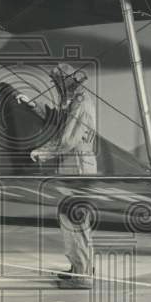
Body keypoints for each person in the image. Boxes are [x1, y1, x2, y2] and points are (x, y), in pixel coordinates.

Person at [29, 62, 98, 289]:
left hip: (77, 166)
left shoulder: (81, 102)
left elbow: (68, 139)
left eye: (59, 82)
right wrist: (36, 106)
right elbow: (60, 120)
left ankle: (82, 277)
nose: (57, 87)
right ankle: (80, 268)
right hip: (72, 165)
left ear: (68, 81)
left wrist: (44, 152)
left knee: (74, 217)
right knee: (72, 218)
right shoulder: (74, 101)